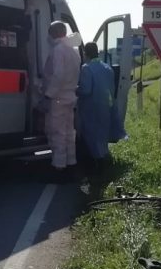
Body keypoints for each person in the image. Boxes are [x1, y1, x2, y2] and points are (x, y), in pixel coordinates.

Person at [39, 20, 81, 178]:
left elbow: (58, 75)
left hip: (57, 98)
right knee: (69, 133)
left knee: (57, 133)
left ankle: (58, 169)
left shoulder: (58, 50)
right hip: (69, 97)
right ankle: (71, 164)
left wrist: (48, 95)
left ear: (54, 34)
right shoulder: (73, 50)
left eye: (49, 33)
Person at [76, 42, 119, 174]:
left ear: (85, 53)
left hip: (90, 107)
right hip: (105, 106)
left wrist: (75, 89)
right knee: (102, 134)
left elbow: (86, 90)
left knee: (91, 135)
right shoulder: (107, 68)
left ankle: (97, 166)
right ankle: (104, 161)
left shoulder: (86, 68)